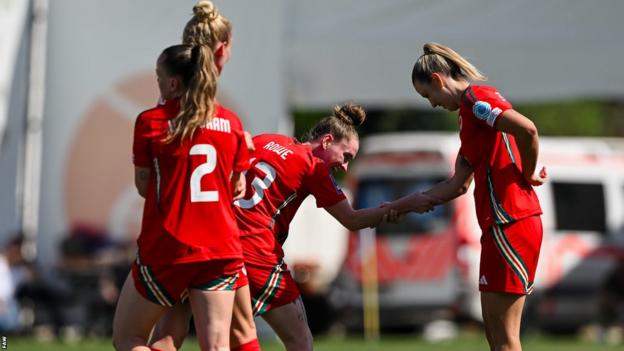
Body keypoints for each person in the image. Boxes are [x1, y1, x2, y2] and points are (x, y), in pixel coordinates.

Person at [154, 102, 399, 351]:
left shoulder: (266, 140)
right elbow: (353, 220)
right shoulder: (313, 167)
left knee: (171, 336)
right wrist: (400, 206)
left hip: (209, 239)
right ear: (326, 141)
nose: (344, 166)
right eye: (345, 156)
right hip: (255, 250)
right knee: (299, 340)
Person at [385, 42, 547, 351]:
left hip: (511, 220)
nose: (431, 104)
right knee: (495, 338)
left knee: (505, 340)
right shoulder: (469, 118)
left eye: (427, 95)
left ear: (437, 80)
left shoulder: (475, 99)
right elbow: (456, 186)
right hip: (499, 224)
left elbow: (528, 130)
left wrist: (527, 173)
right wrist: (398, 207)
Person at [111, 40, 250, 351]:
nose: (157, 82)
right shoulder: (232, 122)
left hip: (169, 248)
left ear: (173, 83)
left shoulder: (151, 122)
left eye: (159, 76)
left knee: (127, 339)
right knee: (216, 346)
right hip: (221, 249)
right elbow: (236, 187)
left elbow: (144, 187)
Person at [149, 2, 261, 351]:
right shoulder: (215, 108)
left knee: (169, 333)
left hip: (172, 234)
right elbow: (233, 181)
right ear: (223, 49)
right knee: (238, 331)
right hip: (215, 237)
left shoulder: (170, 97)